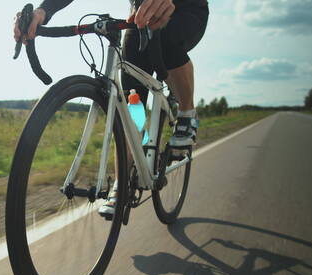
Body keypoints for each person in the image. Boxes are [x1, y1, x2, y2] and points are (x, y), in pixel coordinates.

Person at [14, 0, 209, 218]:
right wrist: (43, 11)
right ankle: (122, 183)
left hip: (186, 10)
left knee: (169, 41)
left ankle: (186, 114)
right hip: (139, 18)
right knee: (130, 106)